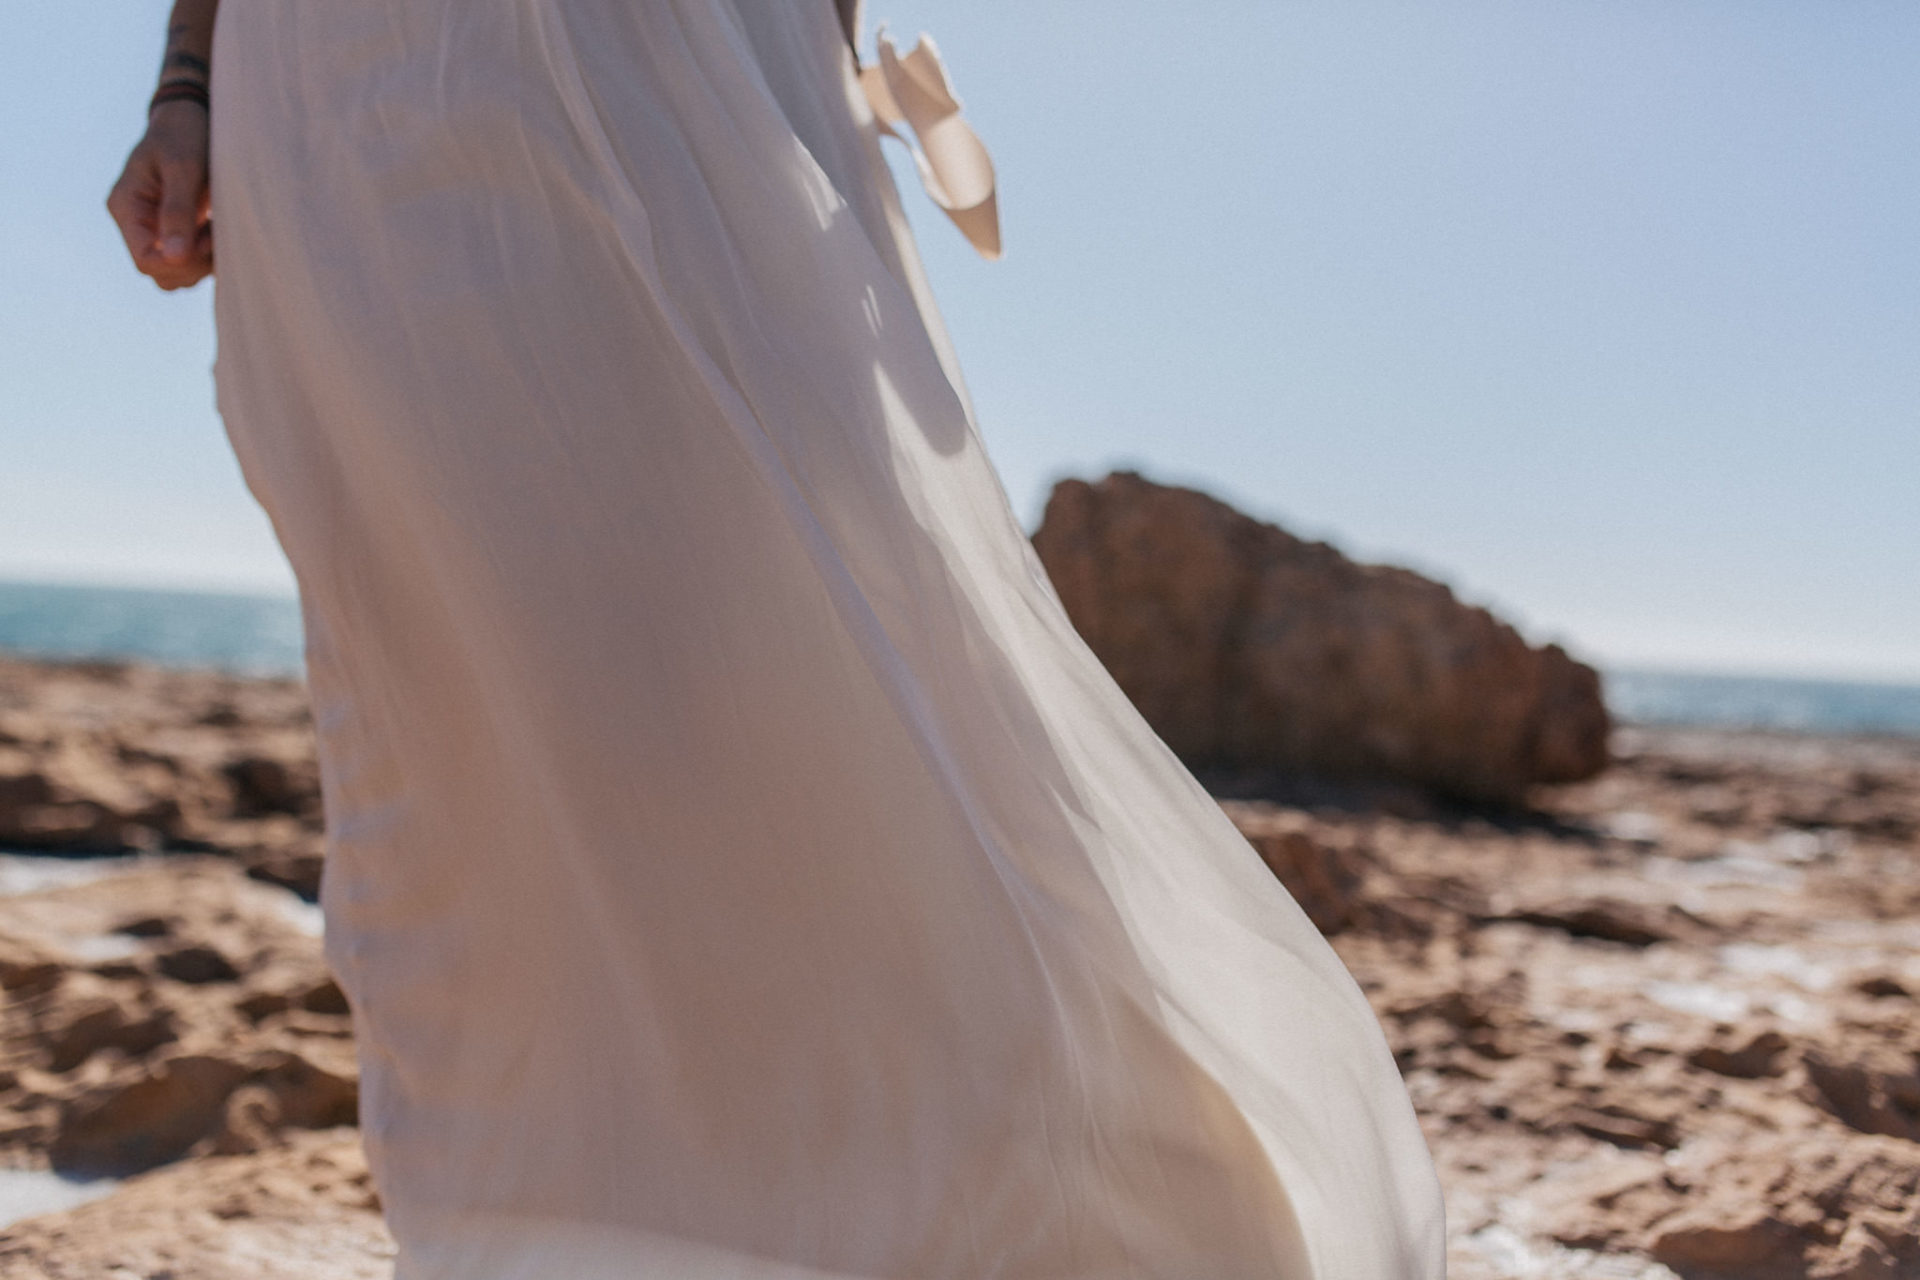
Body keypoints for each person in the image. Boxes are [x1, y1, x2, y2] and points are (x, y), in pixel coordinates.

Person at [108, 2, 1448, 1276]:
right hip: (349, 101)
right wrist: (190, 81)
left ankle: (1080, 1218)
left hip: (667, 73)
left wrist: (808, 82)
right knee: (457, 766)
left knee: (798, 681)